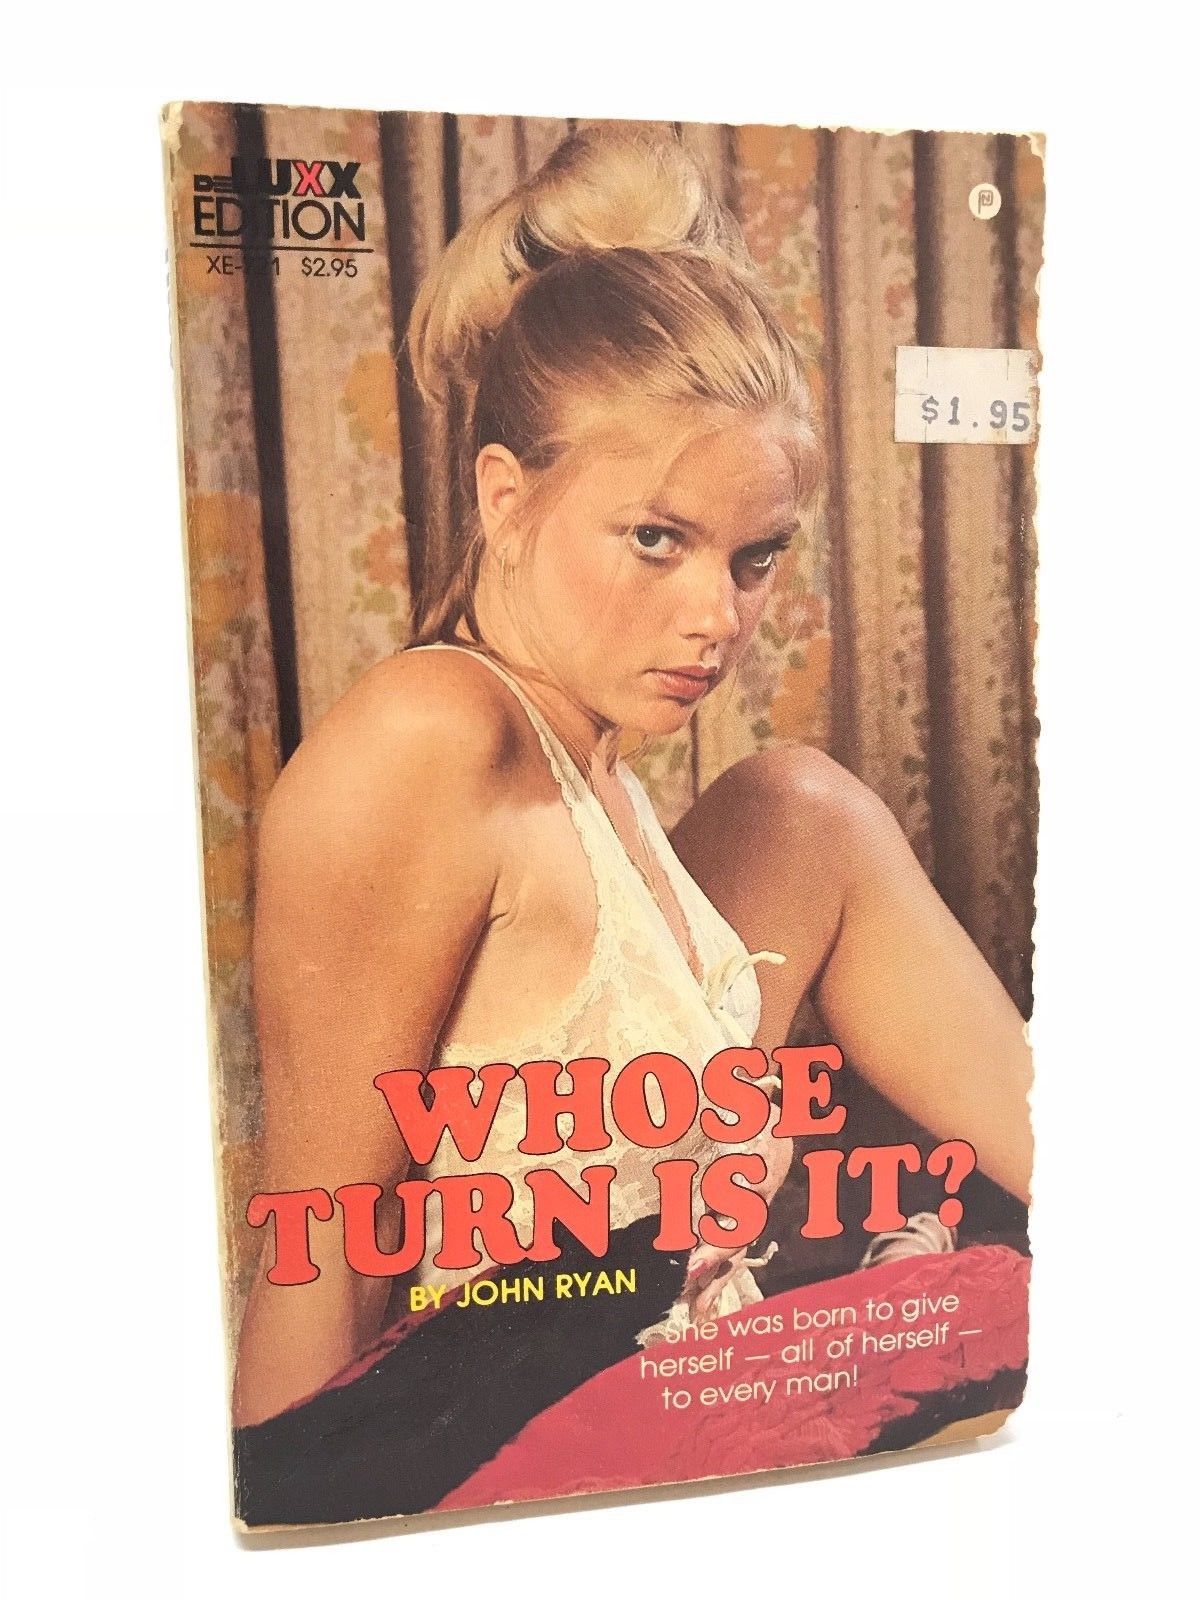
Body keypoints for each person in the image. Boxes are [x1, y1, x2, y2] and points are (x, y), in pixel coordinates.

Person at [229, 129, 1033, 1523]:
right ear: (506, 500)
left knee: (801, 803)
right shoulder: (432, 736)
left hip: (671, 1413)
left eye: (754, 557)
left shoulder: (598, 770)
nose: (716, 618)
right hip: (492, 1463)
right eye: (656, 539)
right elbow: (321, 1262)